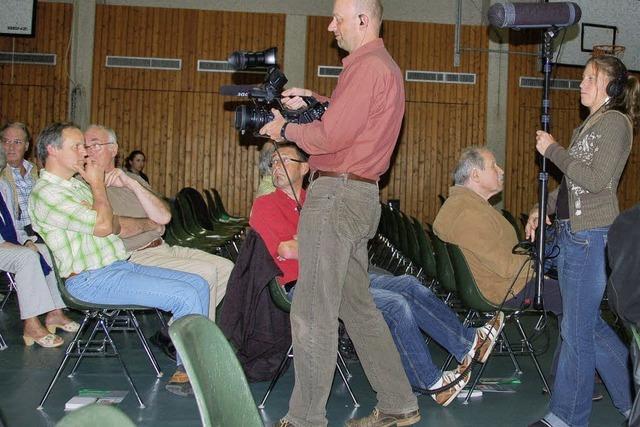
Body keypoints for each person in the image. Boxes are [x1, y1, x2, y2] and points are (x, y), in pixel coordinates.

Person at [259, 1, 420, 425]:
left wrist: (285, 129)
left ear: (363, 21)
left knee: (313, 310)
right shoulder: (380, 66)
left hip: (336, 197)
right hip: (360, 198)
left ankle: (305, 418)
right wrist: (314, 99)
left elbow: (331, 135)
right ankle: (398, 403)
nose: (331, 26)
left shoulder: (366, 66)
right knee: (358, 307)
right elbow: (353, 120)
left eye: (338, 19)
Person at [250, 144, 506, 408]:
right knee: (396, 305)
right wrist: (324, 243)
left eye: (284, 161)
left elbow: (338, 242)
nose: (276, 167)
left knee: (408, 284)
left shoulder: (314, 199)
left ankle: (470, 342)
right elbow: (286, 249)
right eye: (273, 163)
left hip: (341, 272)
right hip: (305, 286)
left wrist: (316, 243)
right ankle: (432, 384)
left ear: (305, 168)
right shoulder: (265, 206)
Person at [28, 122, 210, 397]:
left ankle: (198, 364)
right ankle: (190, 373)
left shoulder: (74, 187)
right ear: (52, 150)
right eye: (76, 146)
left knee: (198, 284)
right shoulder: (47, 192)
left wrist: (101, 208)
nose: (84, 153)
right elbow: (104, 225)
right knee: (185, 295)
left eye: (85, 146)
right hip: (89, 279)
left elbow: (110, 222)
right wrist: (99, 186)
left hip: (115, 268)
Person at [526, 55, 638, 427]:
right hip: (575, 235)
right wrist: (540, 207)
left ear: (611, 87)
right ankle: (630, 403)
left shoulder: (617, 124)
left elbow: (593, 179)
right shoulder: (589, 125)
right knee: (585, 326)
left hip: (591, 237)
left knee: (575, 333)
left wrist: (553, 150)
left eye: (590, 78)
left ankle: (566, 417)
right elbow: (570, 184)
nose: (581, 84)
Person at [84, 124, 232, 321]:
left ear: (114, 149)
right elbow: (116, 227)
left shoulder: (131, 178)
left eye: (95, 145)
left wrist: (132, 185)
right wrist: (150, 225)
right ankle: (190, 340)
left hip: (161, 247)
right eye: (84, 146)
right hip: (132, 256)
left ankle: (177, 331)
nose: (88, 152)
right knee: (205, 273)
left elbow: (164, 216)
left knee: (226, 268)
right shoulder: (83, 185)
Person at [433, 147, 562, 316]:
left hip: (496, 284)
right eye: (493, 166)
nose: (501, 171)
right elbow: (506, 266)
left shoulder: (459, 205)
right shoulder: (469, 214)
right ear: (475, 175)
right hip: (502, 289)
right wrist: (540, 269)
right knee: (573, 295)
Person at [0, 143, 78, 348]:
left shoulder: (4, 186)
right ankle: (31, 324)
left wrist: (26, 240)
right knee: (26, 257)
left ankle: (54, 313)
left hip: (7, 242)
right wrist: (14, 246)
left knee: (44, 249)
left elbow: (13, 221)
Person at [1, 122, 39, 236]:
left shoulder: (34, 171)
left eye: (17, 142)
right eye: (6, 141)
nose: (11, 147)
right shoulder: (1, 175)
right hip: (15, 233)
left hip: (40, 229)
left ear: (26, 146)